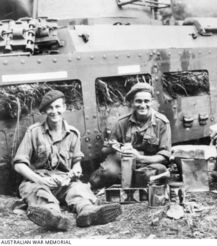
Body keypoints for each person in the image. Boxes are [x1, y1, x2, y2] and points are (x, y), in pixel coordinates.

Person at [13, 90, 121, 231]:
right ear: (45, 110)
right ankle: (52, 216)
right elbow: (19, 165)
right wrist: (39, 180)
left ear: (64, 108)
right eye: (50, 108)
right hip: (37, 180)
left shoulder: (73, 134)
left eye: (58, 107)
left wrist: (75, 170)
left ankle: (88, 212)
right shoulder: (34, 132)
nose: (54, 111)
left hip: (64, 181)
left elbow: (76, 162)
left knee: (78, 189)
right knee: (39, 193)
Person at [90, 83, 171, 189]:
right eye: (138, 101)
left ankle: (132, 183)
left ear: (151, 102)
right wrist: (116, 147)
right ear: (132, 102)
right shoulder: (122, 122)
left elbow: (164, 156)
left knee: (152, 173)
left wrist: (140, 158)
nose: (142, 105)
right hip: (123, 162)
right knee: (104, 175)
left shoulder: (162, 123)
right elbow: (106, 150)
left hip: (148, 163)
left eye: (146, 101)